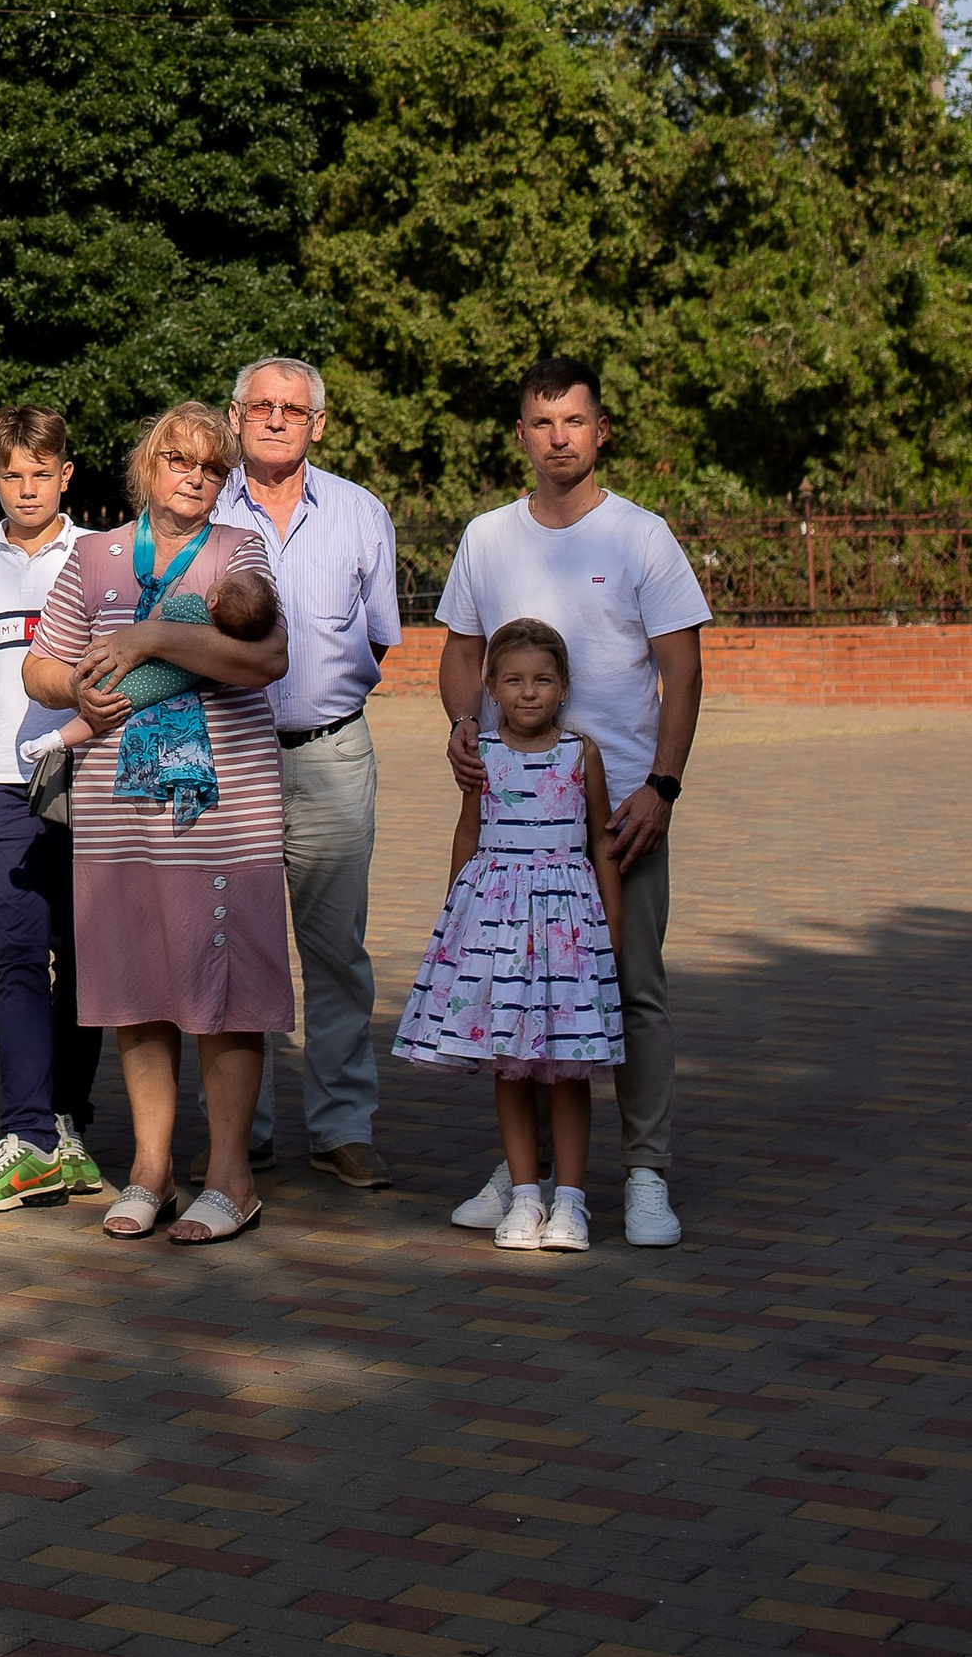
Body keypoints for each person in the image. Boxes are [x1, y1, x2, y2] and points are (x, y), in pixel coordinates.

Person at [435, 355, 709, 1250]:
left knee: (628, 993)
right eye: (542, 423)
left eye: (575, 422)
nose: (559, 438)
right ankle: (532, 1175)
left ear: (600, 432)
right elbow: (462, 656)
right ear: (522, 435)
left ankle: (643, 1171)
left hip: (615, 814)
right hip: (515, 823)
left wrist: (660, 786)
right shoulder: (487, 538)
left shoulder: (641, 536)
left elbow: (682, 668)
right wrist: (459, 728)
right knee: (518, 997)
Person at [24, 399, 291, 1244]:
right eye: (180, 460)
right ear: (149, 464)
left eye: (213, 467)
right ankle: (150, 1171)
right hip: (117, 807)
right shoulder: (95, 555)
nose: (196, 478)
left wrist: (148, 639)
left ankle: (230, 1178)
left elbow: (264, 659)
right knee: (136, 989)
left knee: (227, 995)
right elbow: (39, 666)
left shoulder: (238, 552)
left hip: (226, 810)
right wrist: (78, 690)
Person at [217, 354, 401, 1193]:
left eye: (295, 409)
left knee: (336, 954)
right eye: (263, 406)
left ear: (318, 423)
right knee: (236, 947)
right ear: (236, 416)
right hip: (229, 756)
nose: (279, 419)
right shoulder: (203, 510)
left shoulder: (361, 514)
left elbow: (379, 637)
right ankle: (240, 1131)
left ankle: (342, 1126)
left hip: (330, 754)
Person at [396, 617, 624, 1251]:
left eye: (544, 680)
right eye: (515, 680)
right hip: (495, 932)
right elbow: (468, 834)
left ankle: (571, 1204)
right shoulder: (483, 757)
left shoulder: (581, 755)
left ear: (564, 686)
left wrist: (614, 930)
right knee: (512, 1065)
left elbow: (601, 843)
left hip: (568, 935)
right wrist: (453, 926)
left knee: (570, 1066)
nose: (530, 692)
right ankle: (525, 1197)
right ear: (490, 686)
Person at [0, 403, 103, 1215]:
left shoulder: (99, 556)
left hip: (85, 778)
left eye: (43, 472)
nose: (28, 486)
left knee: (82, 960)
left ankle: (70, 1124)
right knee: (15, 958)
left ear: (66, 476)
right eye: (12, 473)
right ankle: (28, 1136)